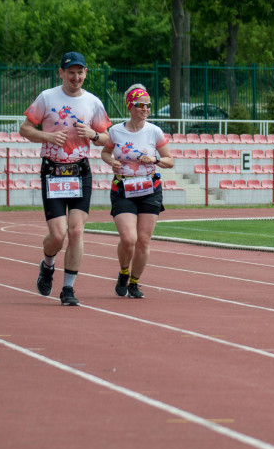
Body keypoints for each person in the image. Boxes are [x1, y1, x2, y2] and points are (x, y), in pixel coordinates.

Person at [20, 52, 112, 306]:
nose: (76, 77)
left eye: (80, 72)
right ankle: (48, 264)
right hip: (53, 171)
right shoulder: (47, 97)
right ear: (61, 73)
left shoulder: (93, 102)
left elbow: (108, 139)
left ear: (85, 73)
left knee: (76, 230)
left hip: (80, 171)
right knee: (58, 235)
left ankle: (68, 288)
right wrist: (48, 137)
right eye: (70, 72)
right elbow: (25, 128)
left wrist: (93, 134)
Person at [101, 84, 173, 299]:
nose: (145, 109)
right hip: (124, 188)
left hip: (150, 189)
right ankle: (124, 271)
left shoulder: (154, 131)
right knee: (129, 238)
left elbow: (169, 161)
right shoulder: (115, 131)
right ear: (130, 106)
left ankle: (134, 282)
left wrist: (155, 159)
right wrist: (111, 162)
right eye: (140, 105)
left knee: (143, 240)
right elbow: (105, 153)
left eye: (148, 105)